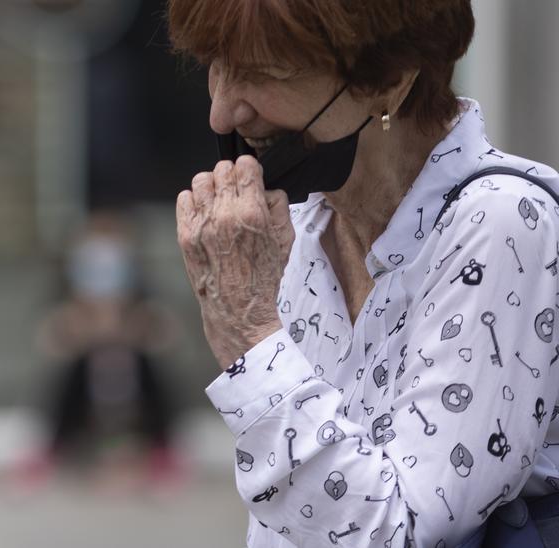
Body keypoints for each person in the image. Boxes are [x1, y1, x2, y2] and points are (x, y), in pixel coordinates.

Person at [168, 1, 559, 546]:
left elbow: (399, 531)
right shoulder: (297, 233)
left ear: (390, 81)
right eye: (217, 65)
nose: (221, 112)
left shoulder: (501, 222)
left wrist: (249, 333)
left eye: (262, 74)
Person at [14, 212, 183, 493]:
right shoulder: (66, 296)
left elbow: (167, 336)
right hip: (87, 385)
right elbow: (48, 341)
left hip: (132, 377)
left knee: (150, 371)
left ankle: (162, 449)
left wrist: (131, 328)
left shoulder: (142, 295)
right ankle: (52, 447)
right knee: (70, 374)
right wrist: (79, 328)